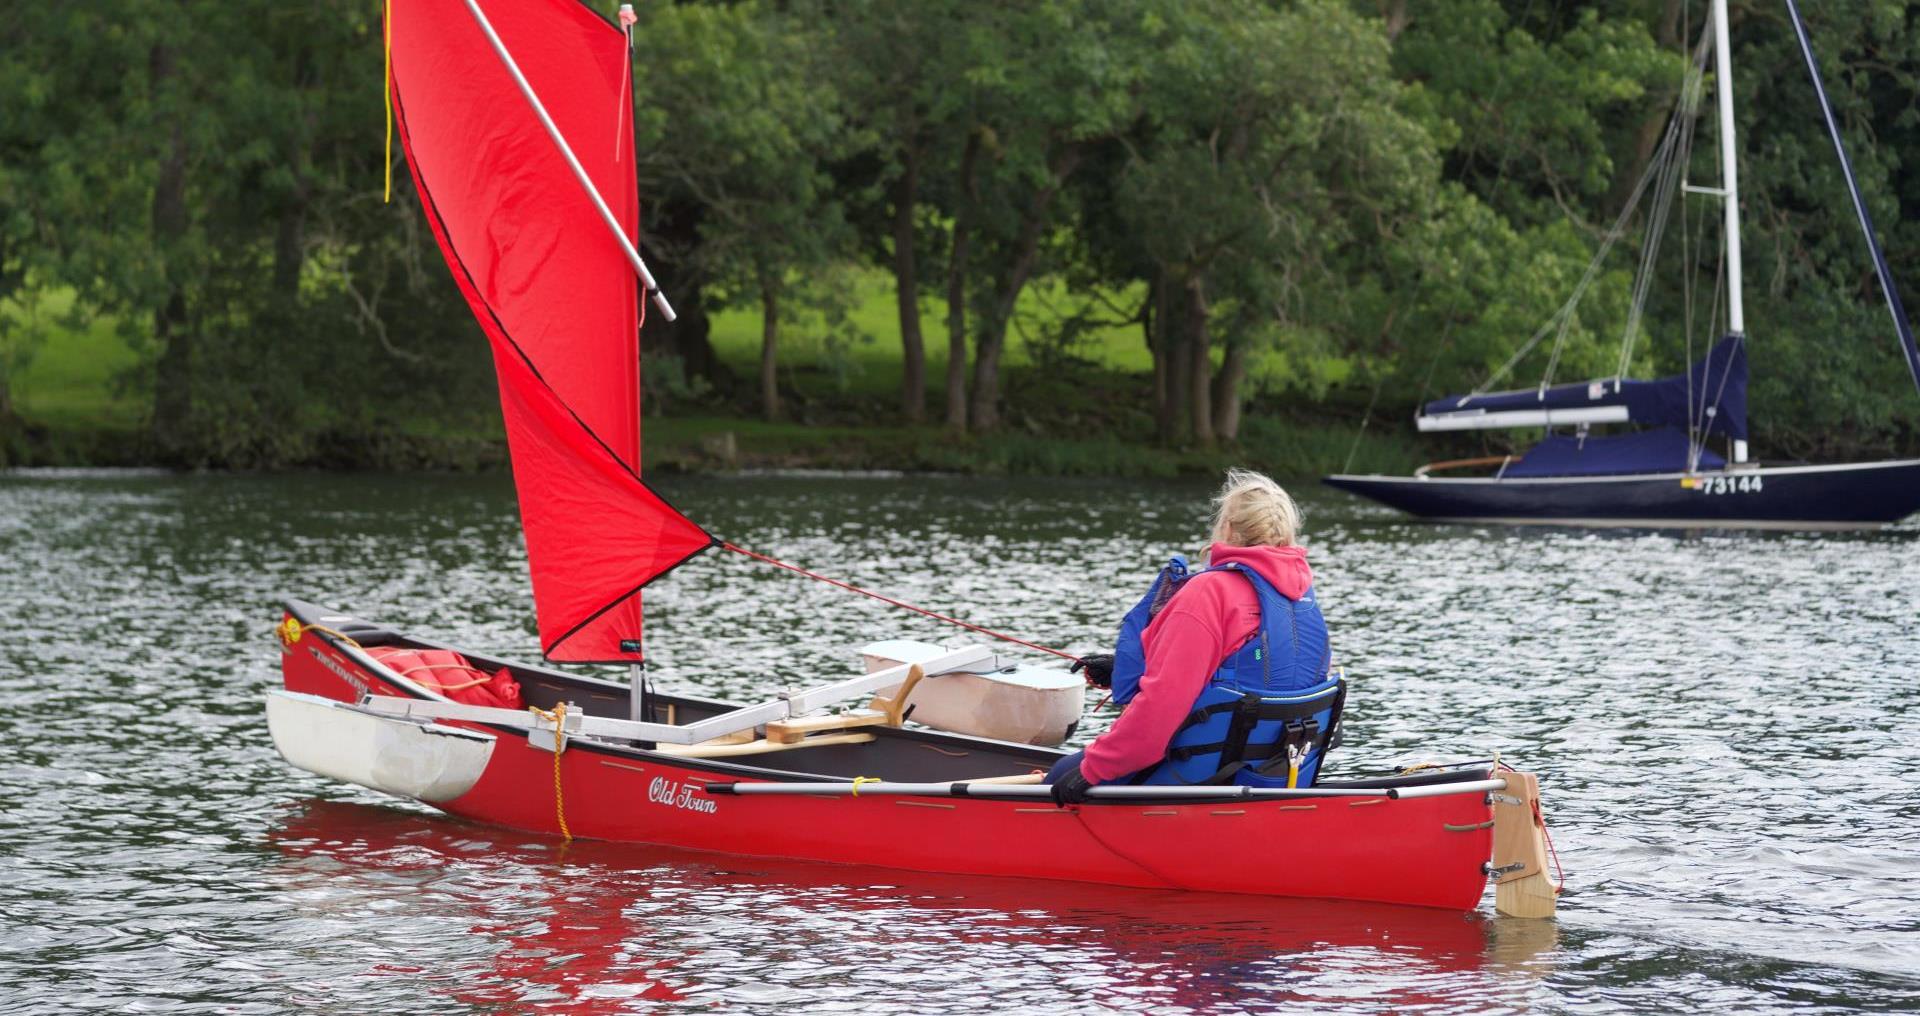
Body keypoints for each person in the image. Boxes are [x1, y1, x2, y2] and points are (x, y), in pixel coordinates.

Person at [1050, 469, 1342, 805]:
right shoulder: (1302, 597)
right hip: (1276, 774)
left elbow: (1160, 709)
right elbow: (1261, 674)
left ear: (1227, 527)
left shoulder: (1208, 592)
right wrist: (1124, 670)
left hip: (1205, 777)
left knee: (1059, 776)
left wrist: (1093, 769)